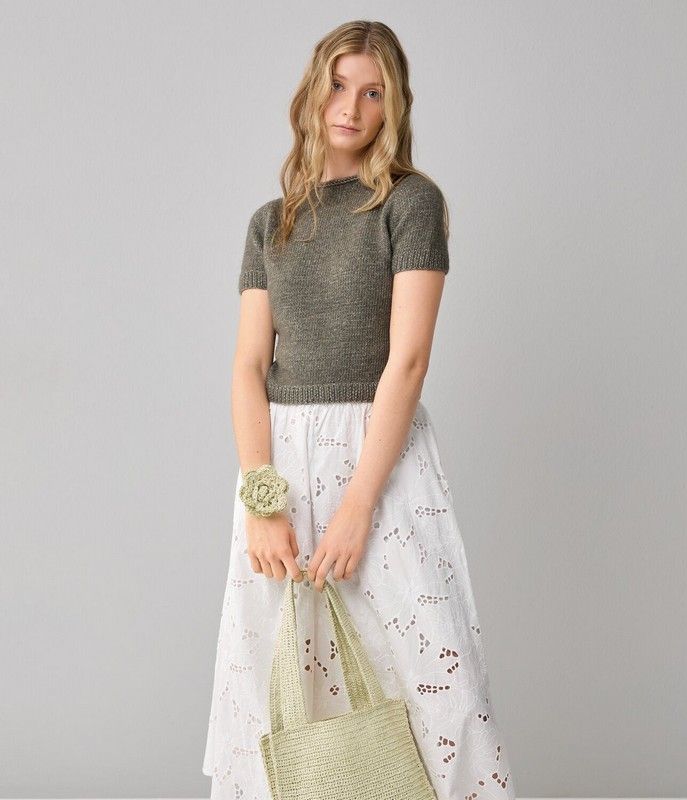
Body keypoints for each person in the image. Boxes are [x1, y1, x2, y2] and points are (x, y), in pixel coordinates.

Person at [202, 19, 517, 800]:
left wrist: (358, 505)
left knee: (429, 679)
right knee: (284, 683)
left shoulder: (409, 204)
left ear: (393, 106)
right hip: (281, 465)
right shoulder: (269, 222)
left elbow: (407, 363)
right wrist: (262, 501)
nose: (351, 107)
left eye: (373, 93)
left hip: (380, 458)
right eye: (339, 86)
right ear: (313, 91)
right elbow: (248, 367)